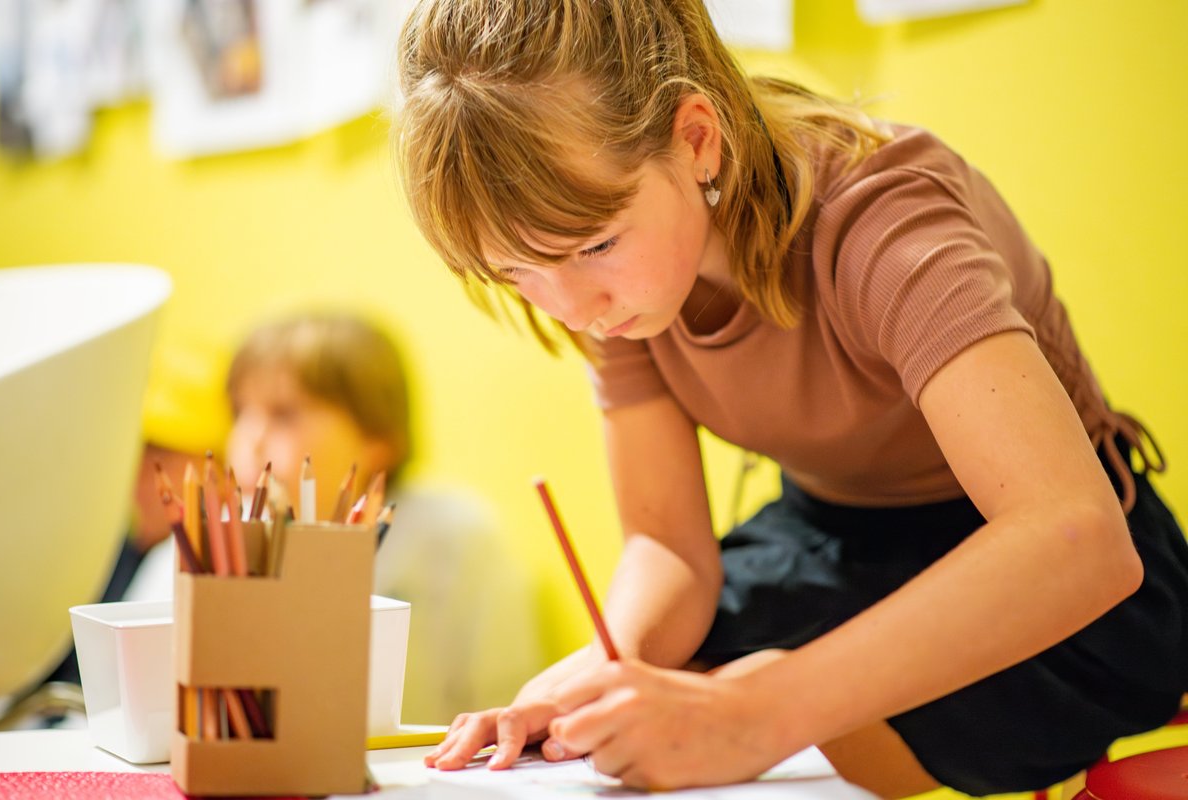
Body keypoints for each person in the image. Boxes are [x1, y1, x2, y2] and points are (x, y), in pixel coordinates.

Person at [391, 1, 1188, 797]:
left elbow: (1074, 536)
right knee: (642, 703)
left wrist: (761, 709)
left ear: (696, 139)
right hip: (829, 542)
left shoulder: (883, 221)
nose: (573, 308)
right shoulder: (617, 287)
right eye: (516, 273)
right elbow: (667, 548)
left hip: (1046, 560)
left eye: (595, 245)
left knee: (778, 696)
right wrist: (598, 668)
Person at [125, 312, 544, 724]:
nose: (248, 440)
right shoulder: (195, 546)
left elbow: (504, 707)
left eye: (284, 414)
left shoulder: (455, 537)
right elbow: (135, 704)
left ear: (376, 436)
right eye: (239, 412)